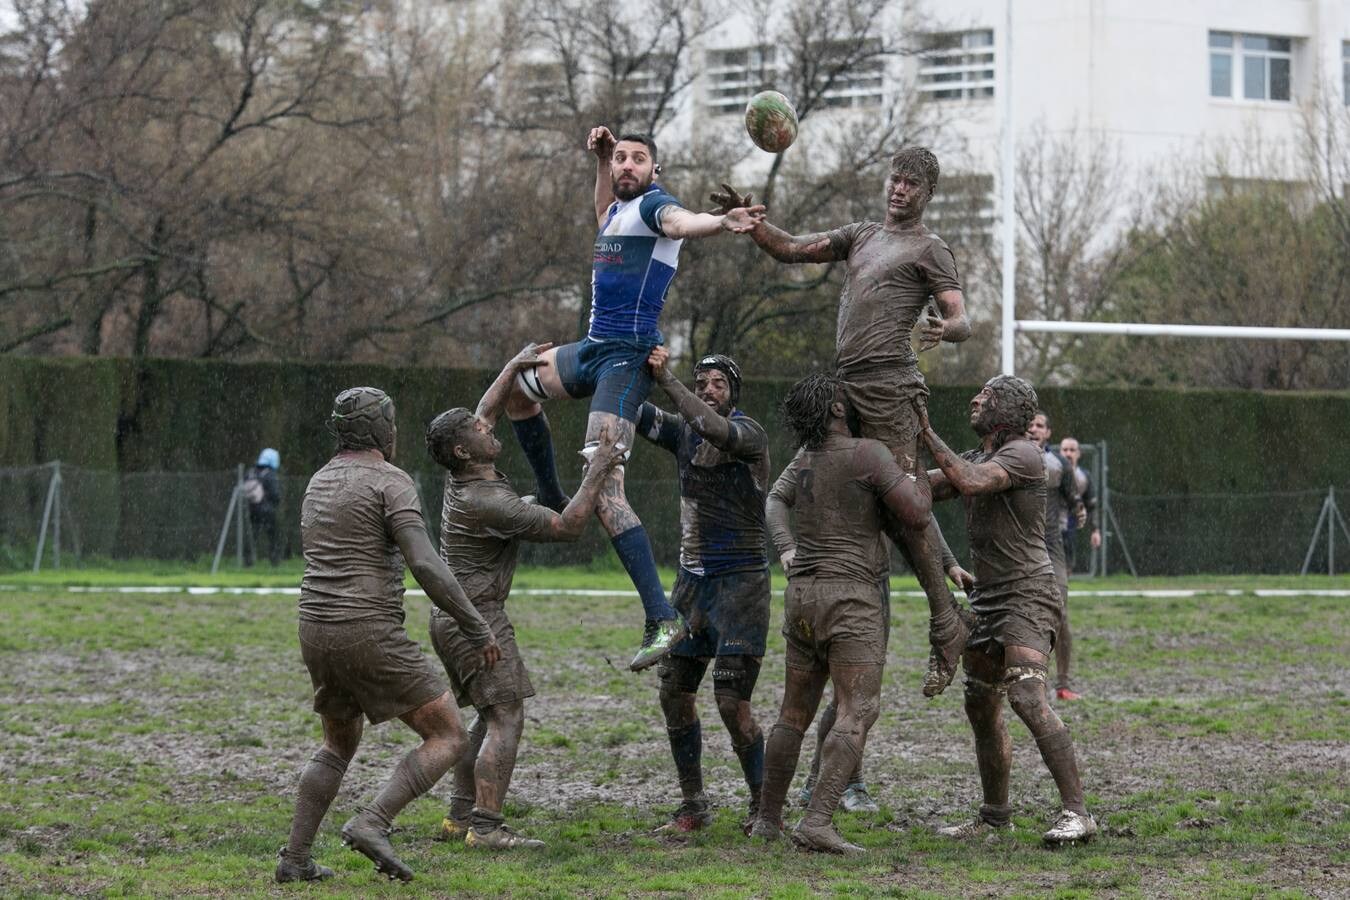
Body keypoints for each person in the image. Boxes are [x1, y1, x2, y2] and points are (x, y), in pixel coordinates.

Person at [503, 127, 765, 673]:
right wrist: (601, 159)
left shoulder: (654, 206)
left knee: (602, 486)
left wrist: (721, 222)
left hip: (628, 357)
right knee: (516, 390)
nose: (626, 166)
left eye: (637, 159)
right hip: (595, 348)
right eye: (621, 157)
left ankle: (660, 615)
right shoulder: (615, 210)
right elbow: (603, 208)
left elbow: (681, 223)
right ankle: (552, 495)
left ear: (655, 170)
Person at [722, 147, 974, 696]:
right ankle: (856, 586)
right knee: (860, 495)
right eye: (895, 179)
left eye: (911, 183)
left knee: (904, 506)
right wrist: (754, 226)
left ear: (926, 194)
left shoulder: (930, 248)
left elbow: (961, 318)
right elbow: (793, 249)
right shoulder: (861, 235)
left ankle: (946, 620)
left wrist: (944, 329)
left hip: (890, 384)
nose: (899, 189)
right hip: (847, 384)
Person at [275, 387, 501, 884]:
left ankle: (295, 859)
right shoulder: (390, 482)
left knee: (337, 744)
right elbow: (425, 562)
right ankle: (372, 823)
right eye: (391, 422)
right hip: (368, 629)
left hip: (314, 628)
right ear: (379, 430)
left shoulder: (319, 480)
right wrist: (474, 624)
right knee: (448, 733)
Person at [424, 344, 626, 851]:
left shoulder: (463, 473)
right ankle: (487, 829)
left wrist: (511, 367)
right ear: (464, 452)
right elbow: (567, 526)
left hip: (451, 617)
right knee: (507, 716)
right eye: (479, 434)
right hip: (477, 619)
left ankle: (458, 818)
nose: (487, 427)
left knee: (488, 715)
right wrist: (601, 466)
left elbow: (486, 409)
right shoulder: (488, 500)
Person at [751, 374, 932, 854]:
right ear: (835, 408)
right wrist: (912, 463)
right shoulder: (867, 453)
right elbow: (914, 511)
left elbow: (773, 499)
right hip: (851, 598)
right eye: (845, 397)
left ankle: (767, 819)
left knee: (793, 713)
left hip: (803, 596)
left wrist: (786, 547)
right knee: (860, 708)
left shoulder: (804, 458)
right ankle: (817, 821)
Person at [917, 376, 1097, 846]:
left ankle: (1078, 814)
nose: (976, 399)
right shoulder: (980, 455)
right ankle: (995, 817)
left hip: (1027, 594)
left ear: (1010, 411)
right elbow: (926, 489)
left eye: (988, 396)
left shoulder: (1022, 453)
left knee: (1027, 698)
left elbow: (968, 481)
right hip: (988, 596)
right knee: (980, 704)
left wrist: (924, 431)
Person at [636, 347, 771, 834]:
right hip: (692, 586)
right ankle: (693, 804)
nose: (708, 389)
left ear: (734, 392)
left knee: (732, 702)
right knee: (674, 692)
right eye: (702, 382)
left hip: (742, 587)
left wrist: (667, 380)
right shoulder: (681, 433)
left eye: (718, 383)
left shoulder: (748, 433)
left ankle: (763, 805)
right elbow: (633, 411)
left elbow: (714, 429)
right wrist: (623, 361)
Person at [1027, 412, 1079, 702]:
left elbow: (1076, 503)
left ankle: (1063, 684)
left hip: (1053, 547)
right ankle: (1021, 682)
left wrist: (1081, 518)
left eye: (1040, 426)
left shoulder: (1059, 464)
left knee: (1059, 615)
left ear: (1048, 433)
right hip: (1018, 548)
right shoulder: (1005, 458)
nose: (1034, 429)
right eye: (1030, 424)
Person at [1057, 436, 1101, 701]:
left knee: (1060, 605)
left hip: (1067, 539)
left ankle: (1061, 682)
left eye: (1073, 449)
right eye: (1065, 449)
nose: (1069, 453)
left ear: (1079, 454)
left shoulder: (1083, 478)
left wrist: (1094, 529)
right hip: (1044, 539)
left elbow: (1092, 504)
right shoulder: (1049, 469)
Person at [245, 448, 282, 566]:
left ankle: (248, 561)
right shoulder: (270, 474)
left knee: (252, 536)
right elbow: (275, 495)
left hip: (252, 509)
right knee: (273, 536)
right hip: (268, 510)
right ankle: (274, 561)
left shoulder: (250, 472)